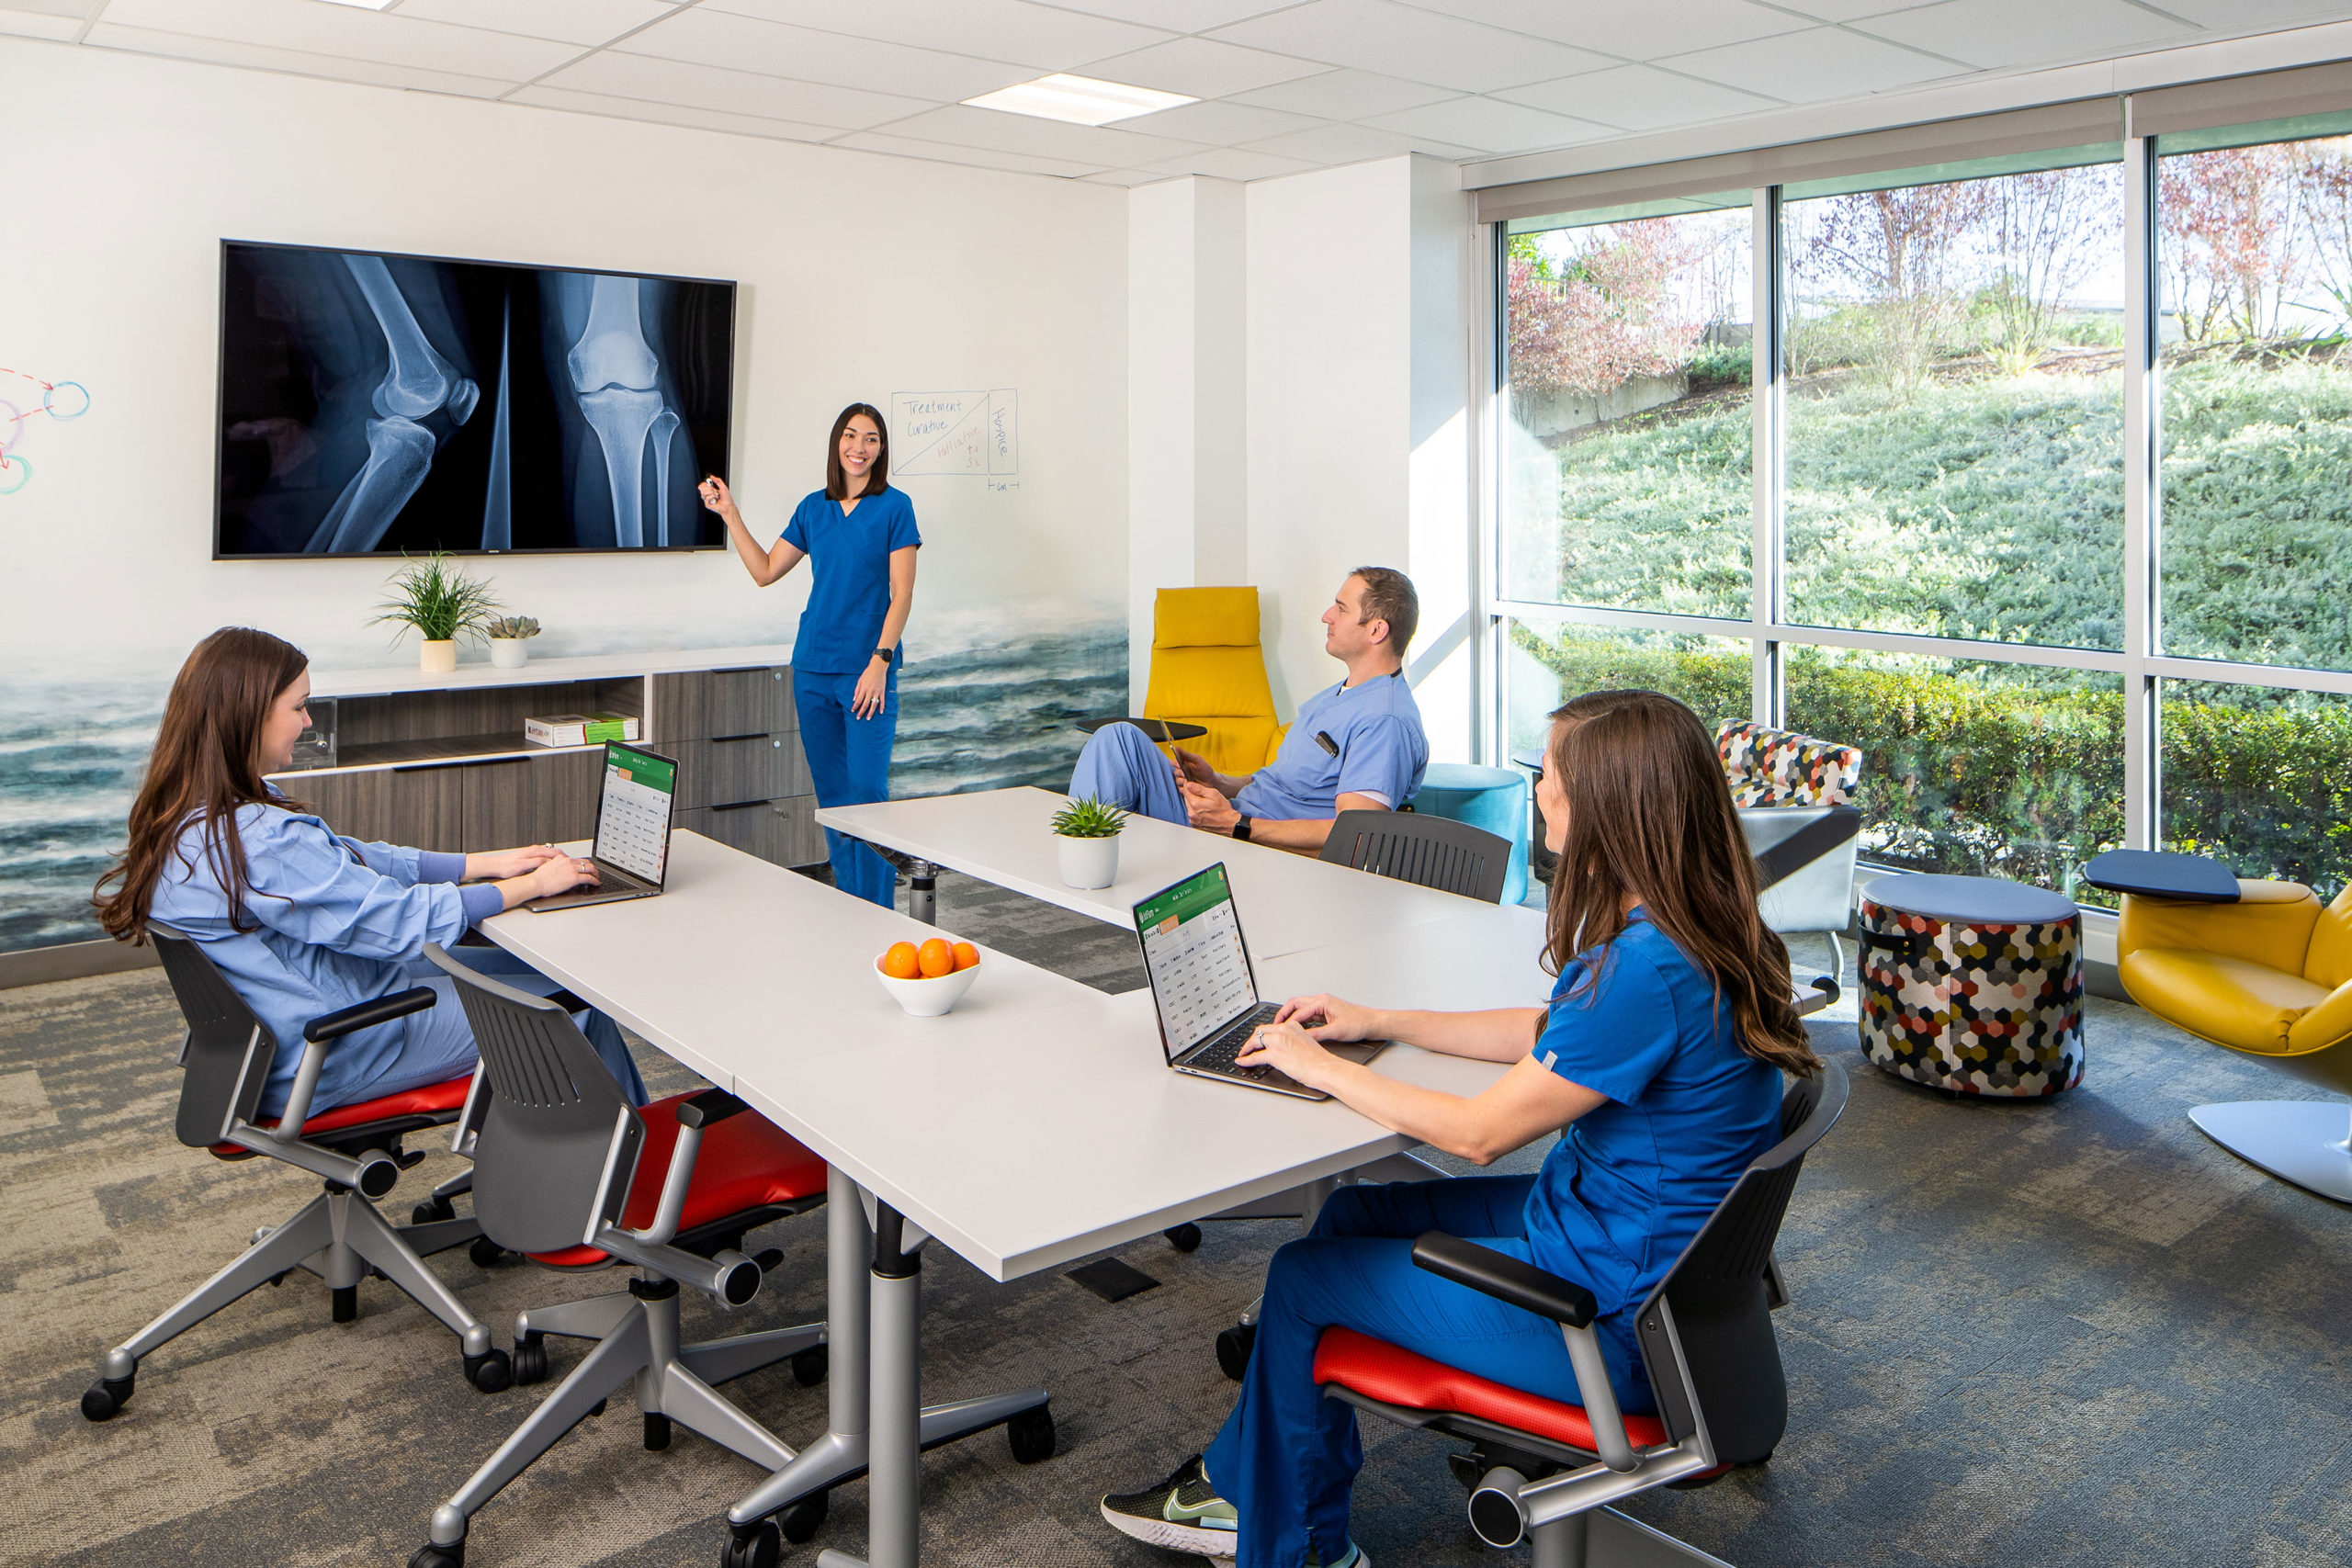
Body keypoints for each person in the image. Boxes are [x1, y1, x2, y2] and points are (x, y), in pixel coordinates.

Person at [1096, 688, 1821, 1568]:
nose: (1540, 792)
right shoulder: (1698, 928)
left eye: (1549, 778)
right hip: (1636, 1259)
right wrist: (1381, 1020)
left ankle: (1296, 1545)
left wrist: (1315, 1065)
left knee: (1296, 1278)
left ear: (1606, 808)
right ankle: (1247, 1489)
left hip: (1604, 1318)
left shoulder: (1645, 971)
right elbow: (1547, 1033)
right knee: (1351, 1216)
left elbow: (1479, 1134)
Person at [93, 627, 647, 1119]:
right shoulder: (263, 838)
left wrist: (486, 864)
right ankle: (623, 1190)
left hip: (302, 1020)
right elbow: (403, 925)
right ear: (249, 715)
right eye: (299, 707)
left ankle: (572, 1170)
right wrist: (529, 886)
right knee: (570, 1008)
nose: (308, 722)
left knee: (540, 979)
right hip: (339, 1045)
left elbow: (356, 858)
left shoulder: (197, 814)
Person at [699, 403, 918, 908]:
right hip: (813, 670)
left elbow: (902, 593)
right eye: (850, 436)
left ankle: (881, 913)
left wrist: (880, 661)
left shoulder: (895, 507)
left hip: (867, 674)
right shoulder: (813, 508)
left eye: (870, 439)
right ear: (836, 443)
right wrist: (730, 514)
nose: (858, 448)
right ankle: (851, 906)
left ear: (881, 449)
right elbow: (765, 570)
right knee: (835, 802)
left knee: (868, 797)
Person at [1070, 569, 1427, 853]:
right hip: (1235, 815)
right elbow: (1283, 784)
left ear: (1377, 630)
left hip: (1248, 841)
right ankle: (1084, 864)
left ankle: (1078, 867)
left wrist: (1234, 824)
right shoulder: (1341, 694)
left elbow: (1358, 835)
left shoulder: (1384, 721)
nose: (1326, 616)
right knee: (1121, 740)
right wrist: (1219, 783)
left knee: (1114, 743)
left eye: (1342, 608)